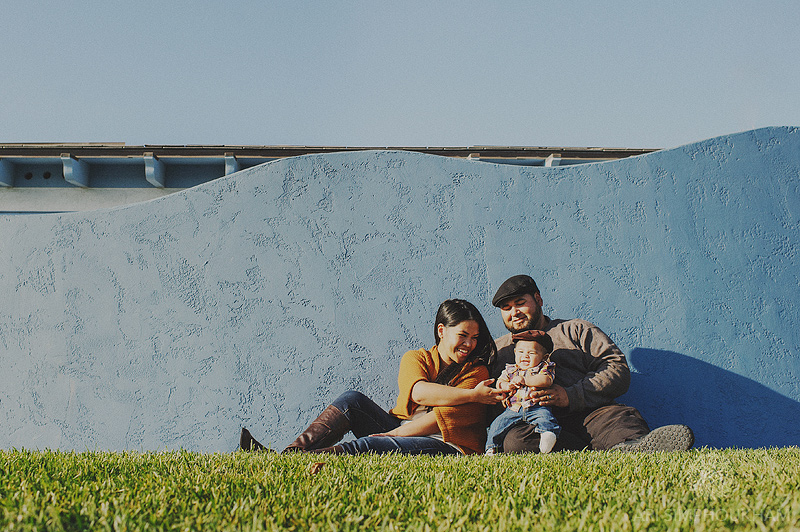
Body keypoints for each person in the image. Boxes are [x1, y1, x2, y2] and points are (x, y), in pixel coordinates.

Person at [240, 299, 505, 455]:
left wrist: (390, 435)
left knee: (369, 445)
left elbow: (439, 421)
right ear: (441, 331)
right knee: (352, 400)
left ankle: (294, 463)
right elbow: (419, 392)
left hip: (449, 445)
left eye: (474, 338)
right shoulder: (417, 358)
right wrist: (472, 395)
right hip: (402, 427)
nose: (469, 344)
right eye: (463, 335)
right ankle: (292, 454)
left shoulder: (476, 371)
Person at [489, 274, 694, 453]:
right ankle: (592, 451)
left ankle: (633, 448)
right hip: (534, 423)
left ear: (538, 299)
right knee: (516, 442)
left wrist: (570, 395)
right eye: (506, 308)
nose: (513, 312)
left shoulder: (575, 330)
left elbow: (616, 368)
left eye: (520, 303)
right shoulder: (500, 350)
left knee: (619, 420)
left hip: (592, 416)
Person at [485, 329, 561, 455]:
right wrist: (506, 385)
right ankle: (491, 448)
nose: (525, 356)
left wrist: (525, 380)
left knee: (546, 418)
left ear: (544, 356)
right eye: (520, 352)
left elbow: (546, 380)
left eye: (531, 353)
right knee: (497, 424)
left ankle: (547, 436)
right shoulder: (511, 369)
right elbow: (500, 381)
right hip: (514, 409)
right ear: (515, 352)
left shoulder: (543, 368)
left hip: (536, 407)